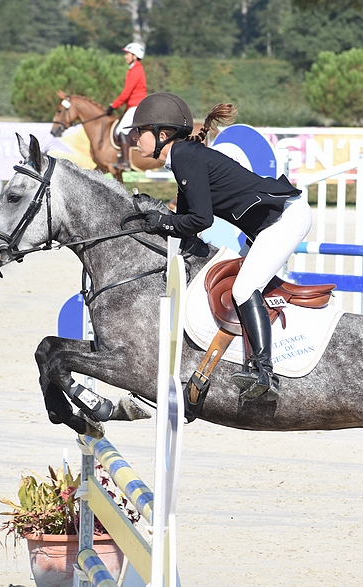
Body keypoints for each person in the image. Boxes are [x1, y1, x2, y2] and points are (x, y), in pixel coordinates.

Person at [128, 92, 312, 402]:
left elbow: (200, 220)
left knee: (243, 290)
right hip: (271, 222)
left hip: (285, 219)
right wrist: (157, 220)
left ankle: (263, 371)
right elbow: (183, 219)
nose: (134, 138)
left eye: (139, 131)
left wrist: (159, 221)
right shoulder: (183, 157)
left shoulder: (185, 157)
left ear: (162, 135)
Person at [106, 42, 147, 171]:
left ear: (134, 56)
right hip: (133, 105)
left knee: (121, 130)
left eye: (127, 54)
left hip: (136, 105)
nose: (125, 56)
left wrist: (113, 105)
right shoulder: (134, 69)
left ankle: (125, 162)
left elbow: (126, 92)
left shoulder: (136, 70)